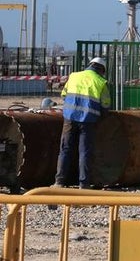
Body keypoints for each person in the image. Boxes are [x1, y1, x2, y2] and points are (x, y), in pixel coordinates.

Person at [54, 56, 111, 189]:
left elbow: (63, 94)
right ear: (102, 70)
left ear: (90, 65)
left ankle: (59, 182)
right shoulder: (101, 82)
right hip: (88, 120)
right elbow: (106, 105)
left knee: (65, 149)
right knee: (84, 151)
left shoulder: (74, 76)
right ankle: (84, 184)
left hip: (69, 117)